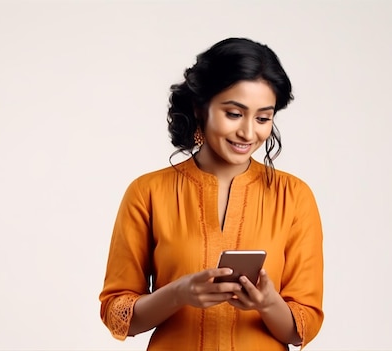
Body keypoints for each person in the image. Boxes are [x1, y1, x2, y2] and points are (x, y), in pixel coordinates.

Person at [98, 37, 324, 350]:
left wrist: (268, 303)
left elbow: (303, 328)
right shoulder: (147, 192)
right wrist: (178, 294)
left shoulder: (294, 196)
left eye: (263, 118)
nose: (248, 132)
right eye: (234, 113)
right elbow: (117, 314)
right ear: (199, 107)